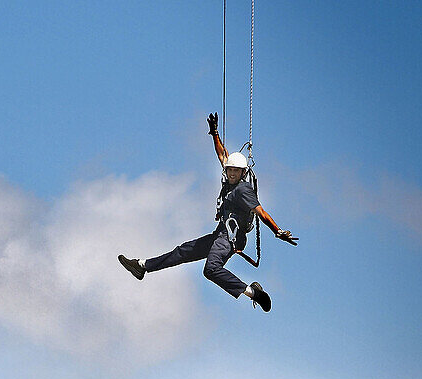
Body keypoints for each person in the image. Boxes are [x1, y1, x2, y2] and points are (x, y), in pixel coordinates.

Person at [118, 112, 297, 312]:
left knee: (211, 269)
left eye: (235, 171)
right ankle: (142, 266)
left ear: (243, 173)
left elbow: (261, 212)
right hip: (219, 234)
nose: (230, 173)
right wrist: (214, 133)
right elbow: (222, 155)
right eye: (229, 170)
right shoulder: (229, 177)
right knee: (183, 251)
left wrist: (277, 230)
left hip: (231, 238)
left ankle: (255, 294)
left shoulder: (242, 190)